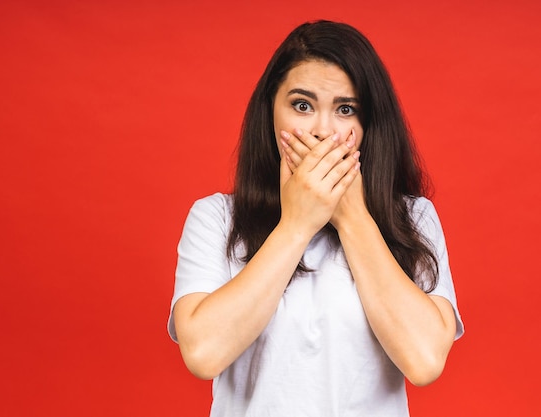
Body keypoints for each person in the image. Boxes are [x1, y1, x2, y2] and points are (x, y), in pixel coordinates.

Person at [167, 20, 464, 416]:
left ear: (368, 124)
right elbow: (203, 354)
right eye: (302, 105)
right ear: (270, 111)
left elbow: (425, 360)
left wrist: (352, 216)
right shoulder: (217, 218)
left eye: (346, 109)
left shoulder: (413, 217)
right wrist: (297, 223)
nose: (323, 131)